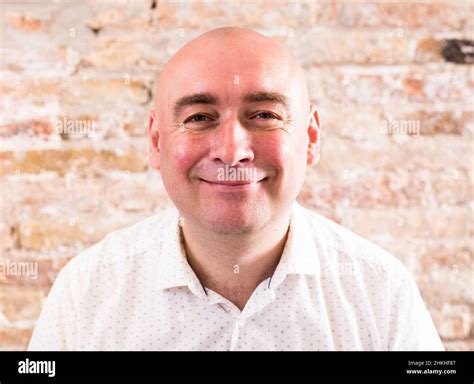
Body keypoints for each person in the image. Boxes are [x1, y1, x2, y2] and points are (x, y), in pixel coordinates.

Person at [28, 27, 444, 351]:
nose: (231, 151)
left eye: (263, 114)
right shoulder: (87, 292)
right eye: (199, 117)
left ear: (311, 137)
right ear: (157, 142)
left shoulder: (381, 292)